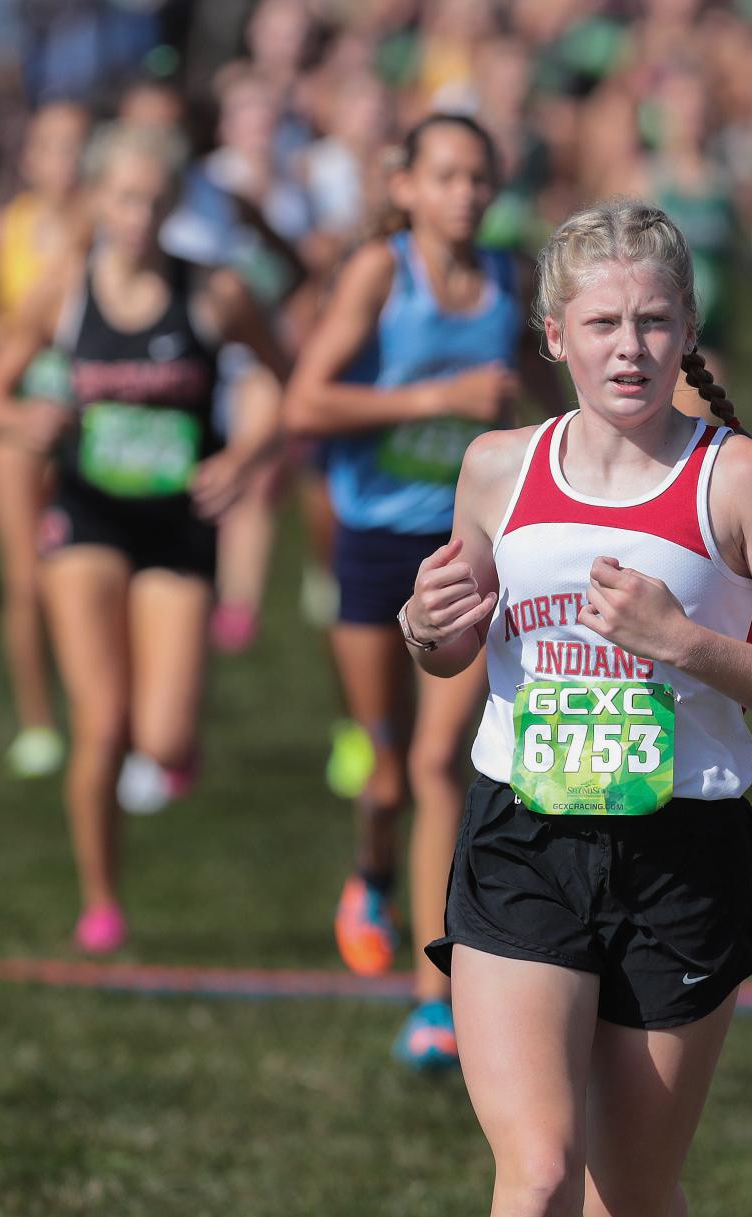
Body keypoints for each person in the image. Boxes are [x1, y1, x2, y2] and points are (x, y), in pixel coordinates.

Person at [405, 199, 752, 1213]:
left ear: (689, 330)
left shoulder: (743, 479)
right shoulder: (497, 468)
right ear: (555, 334)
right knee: (536, 1173)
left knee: (633, 1193)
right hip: (521, 834)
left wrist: (686, 643)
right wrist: (422, 626)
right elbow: (448, 650)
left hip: (681, 851)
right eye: (604, 325)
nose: (630, 349)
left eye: (654, 322)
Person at [284, 112, 562, 1069]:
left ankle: (430, 997)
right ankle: (370, 871)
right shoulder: (379, 274)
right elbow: (304, 401)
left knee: (443, 762)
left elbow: (546, 386)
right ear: (403, 186)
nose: (467, 194)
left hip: (465, 545)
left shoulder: (505, 278)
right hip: (372, 541)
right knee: (389, 765)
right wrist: (433, 401)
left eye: (480, 177)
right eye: (447, 176)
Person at [0, 121, 285, 953]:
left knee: (165, 737)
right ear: (96, 201)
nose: (138, 217)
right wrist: (24, 416)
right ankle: (101, 901)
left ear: (172, 203)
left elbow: (287, 381)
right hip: (87, 515)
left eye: (152, 200)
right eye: (122, 199)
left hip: (178, 523)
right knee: (102, 722)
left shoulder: (213, 293)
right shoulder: (62, 289)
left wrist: (246, 455)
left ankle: (178, 744)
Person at [0, 100, 91, 778]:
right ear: (29, 158)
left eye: (79, 146)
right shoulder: (1, 228)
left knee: (89, 569)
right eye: (54, 146)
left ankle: (98, 710)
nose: (68, 160)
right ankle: (38, 722)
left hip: (94, 419)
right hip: (15, 416)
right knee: (25, 577)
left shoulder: (112, 222)